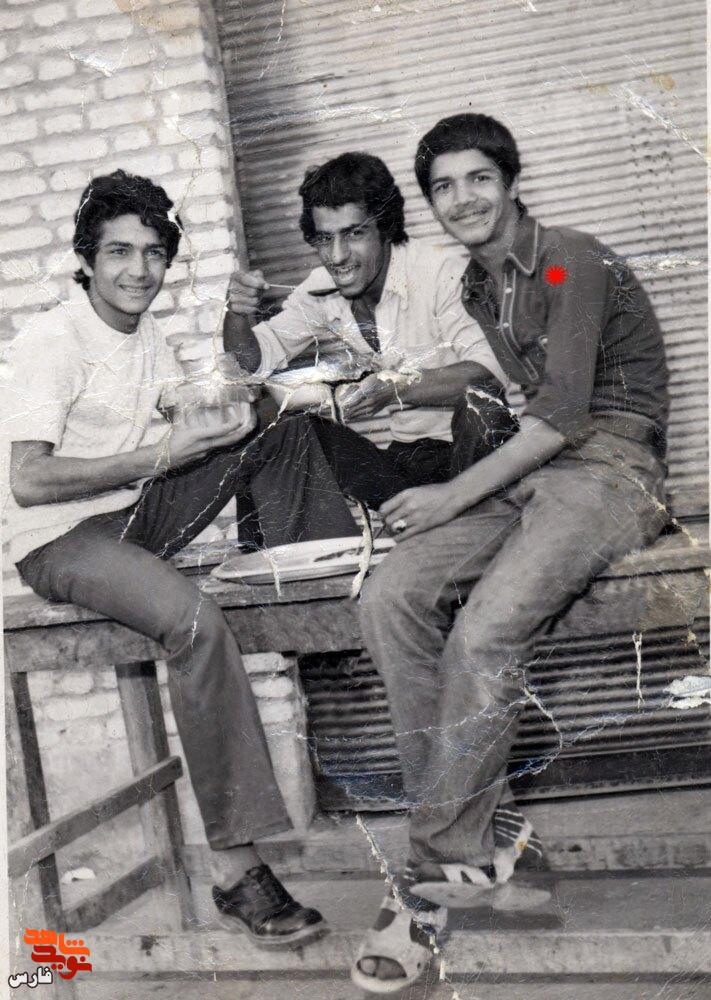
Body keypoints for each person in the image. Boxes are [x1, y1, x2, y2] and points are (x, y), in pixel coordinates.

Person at [4, 170, 363, 949]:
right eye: (119, 252)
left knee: (274, 420)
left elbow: (194, 426)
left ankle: (309, 592)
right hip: (60, 540)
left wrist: (225, 404)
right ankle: (237, 871)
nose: (138, 270)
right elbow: (27, 481)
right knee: (195, 623)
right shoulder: (52, 340)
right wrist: (159, 455)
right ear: (86, 259)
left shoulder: (150, 338)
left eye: (153, 253)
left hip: (134, 517)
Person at [351, 114, 669, 993]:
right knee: (390, 597)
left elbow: (562, 414)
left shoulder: (568, 260)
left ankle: (429, 878)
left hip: (613, 469)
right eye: (442, 187)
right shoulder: (476, 284)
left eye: (478, 179)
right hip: (536, 470)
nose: (462, 199)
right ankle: (483, 836)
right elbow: (526, 410)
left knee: (485, 633)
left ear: (512, 180)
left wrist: (452, 493)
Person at [223, 152, 518, 541]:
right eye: (324, 239)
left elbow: (488, 374)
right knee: (265, 423)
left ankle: (475, 528)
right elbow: (251, 363)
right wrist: (237, 312)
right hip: (408, 461)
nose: (337, 256)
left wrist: (393, 387)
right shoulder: (321, 289)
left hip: (473, 458)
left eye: (354, 234)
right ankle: (299, 560)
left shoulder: (443, 272)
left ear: (385, 227)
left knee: (483, 410)